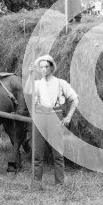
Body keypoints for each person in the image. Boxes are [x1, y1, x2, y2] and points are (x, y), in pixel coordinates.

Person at [26, 54, 79, 188]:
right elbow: (27, 90)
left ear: (51, 68)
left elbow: (75, 100)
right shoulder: (37, 83)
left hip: (55, 117)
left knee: (58, 153)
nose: (44, 69)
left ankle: (59, 183)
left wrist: (68, 117)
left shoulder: (60, 83)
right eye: (41, 67)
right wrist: (30, 74)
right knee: (37, 152)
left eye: (46, 67)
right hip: (39, 117)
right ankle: (36, 183)